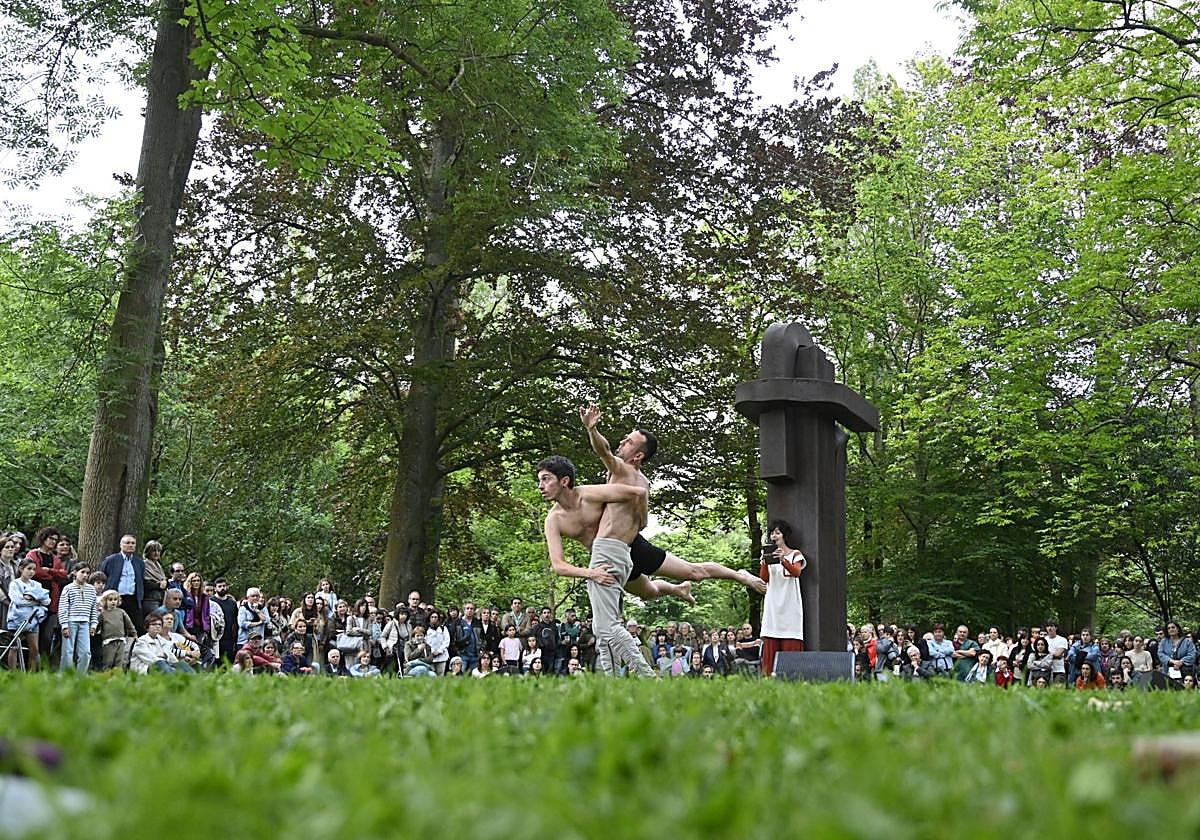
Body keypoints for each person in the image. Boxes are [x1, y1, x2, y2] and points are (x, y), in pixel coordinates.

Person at [581, 404, 767, 600]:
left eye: (628, 442)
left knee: (695, 572)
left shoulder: (629, 473)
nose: (622, 441)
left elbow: (604, 451)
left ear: (638, 456)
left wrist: (591, 428)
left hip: (632, 547)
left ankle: (741, 576)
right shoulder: (624, 474)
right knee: (647, 592)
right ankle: (677, 589)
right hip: (618, 548)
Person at [538, 454, 654, 677]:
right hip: (601, 563)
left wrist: (642, 521)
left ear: (564, 481)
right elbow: (559, 566)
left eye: (546, 479)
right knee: (601, 628)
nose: (541, 486)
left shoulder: (589, 493)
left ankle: (648, 676)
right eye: (540, 480)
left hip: (612, 555)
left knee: (608, 626)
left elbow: (638, 493)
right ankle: (611, 679)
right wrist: (591, 573)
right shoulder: (553, 519)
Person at [759, 519, 806, 676]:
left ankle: (791, 678)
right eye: (772, 533)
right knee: (771, 642)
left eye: (777, 533)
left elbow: (797, 572)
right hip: (773, 605)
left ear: (784, 535)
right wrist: (765, 562)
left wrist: (782, 560)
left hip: (790, 605)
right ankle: (768, 679)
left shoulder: (795, 554)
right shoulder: (768, 554)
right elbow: (764, 578)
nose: (774, 536)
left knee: (791, 641)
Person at [6, 559, 50, 670]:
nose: (31, 572)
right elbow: (17, 600)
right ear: (21, 569)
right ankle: (14, 673)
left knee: (34, 649)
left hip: (32, 620)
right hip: (16, 619)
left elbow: (46, 600)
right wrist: (36, 601)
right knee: (14, 647)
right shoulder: (14, 584)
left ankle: (31, 675)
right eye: (29, 569)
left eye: (34, 569)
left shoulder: (37, 585)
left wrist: (32, 599)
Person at [99, 534, 146, 635]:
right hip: (115, 599)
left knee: (137, 626)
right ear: (121, 545)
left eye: (133, 543)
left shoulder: (139, 562)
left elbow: (141, 580)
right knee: (117, 627)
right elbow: (102, 577)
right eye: (127, 543)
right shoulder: (111, 560)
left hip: (133, 599)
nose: (130, 545)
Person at [57, 564, 99, 672]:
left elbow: (93, 609)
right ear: (75, 573)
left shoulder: (91, 590)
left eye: (87, 573)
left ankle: (81, 676)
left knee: (85, 652)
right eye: (82, 572)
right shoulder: (68, 588)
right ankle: (66, 675)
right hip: (71, 622)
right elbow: (63, 607)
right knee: (67, 651)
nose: (85, 575)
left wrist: (94, 624)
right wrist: (64, 625)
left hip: (85, 623)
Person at [130, 613, 195, 674]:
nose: (157, 626)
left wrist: (177, 664)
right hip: (145, 668)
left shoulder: (161, 640)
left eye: (159, 624)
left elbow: (170, 655)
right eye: (153, 624)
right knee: (160, 663)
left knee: (181, 664)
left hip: (163, 665)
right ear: (147, 627)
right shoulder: (141, 641)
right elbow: (151, 659)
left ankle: (196, 681)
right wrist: (170, 667)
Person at [95, 590, 136, 670]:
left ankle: (117, 678)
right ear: (105, 601)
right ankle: (106, 678)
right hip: (108, 642)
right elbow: (97, 625)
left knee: (119, 661)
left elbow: (129, 624)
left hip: (120, 640)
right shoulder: (103, 614)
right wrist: (93, 631)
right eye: (110, 600)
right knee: (108, 661)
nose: (113, 602)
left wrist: (134, 634)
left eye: (115, 599)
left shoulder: (121, 612)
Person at [210, 578, 240, 664]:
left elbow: (235, 620)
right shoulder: (211, 601)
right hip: (215, 638)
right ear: (215, 588)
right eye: (219, 586)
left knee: (228, 663)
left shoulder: (232, 602)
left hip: (229, 638)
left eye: (224, 586)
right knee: (216, 663)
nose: (222, 588)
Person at [1158, 620, 1196, 688]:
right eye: (1168, 628)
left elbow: (1192, 654)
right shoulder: (1163, 642)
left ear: (1178, 629)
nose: (1171, 629)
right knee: (1170, 690)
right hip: (1168, 671)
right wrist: (1171, 661)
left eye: (1173, 627)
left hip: (1185, 672)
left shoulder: (1187, 641)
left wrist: (1181, 662)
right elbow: (1160, 654)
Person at [140, 540, 169, 621]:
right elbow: (144, 582)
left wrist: (164, 583)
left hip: (161, 598)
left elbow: (165, 581)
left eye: (158, 551)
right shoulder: (144, 564)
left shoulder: (158, 565)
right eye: (154, 551)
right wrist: (158, 585)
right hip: (150, 599)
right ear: (148, 551)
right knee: (155, 621)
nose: (156, 553)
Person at [1043, 620, 1069, 685]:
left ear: (1056, 628)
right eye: (1048, 626)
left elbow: (1058, 655)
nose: (1049, 628)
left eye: (1051, 626)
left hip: (1058, 670)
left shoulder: (1062, 640)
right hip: (1045, 670)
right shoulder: (1043, 640)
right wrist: (1053, 654)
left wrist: (1046, 654)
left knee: (1058, 691)